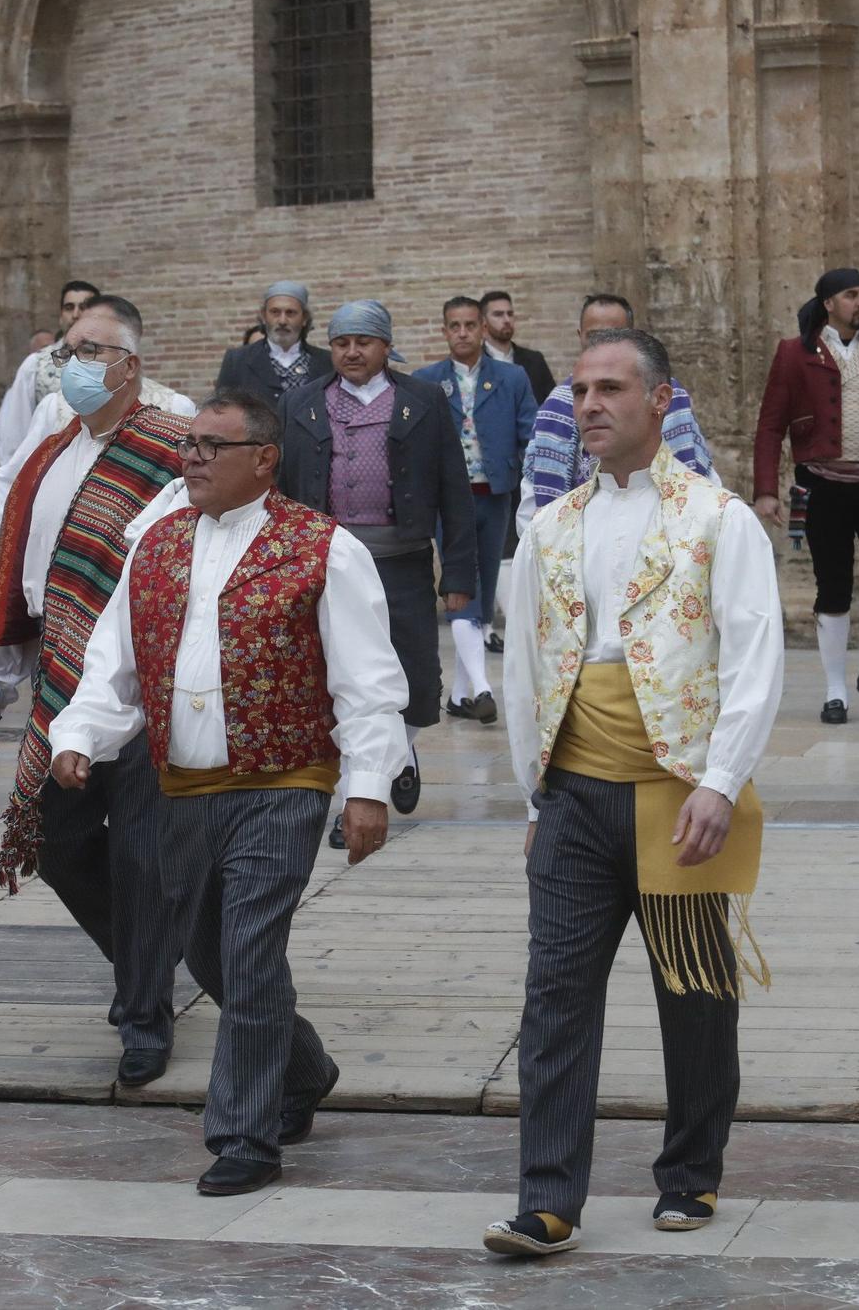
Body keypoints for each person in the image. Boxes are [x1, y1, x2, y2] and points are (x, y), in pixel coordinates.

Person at [50, 389, 409, 1196]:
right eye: (191, 446)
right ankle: (306, 1066)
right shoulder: (156, 545)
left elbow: (368, 682)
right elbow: (115, 662)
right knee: (208, 950)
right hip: (181, 784)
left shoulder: (324, 548)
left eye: (215, 445)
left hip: (282, 782)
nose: (195, 458)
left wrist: (368, 785)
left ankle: (242, 1134)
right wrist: (78, 736)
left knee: (248, 949)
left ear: (264, 459)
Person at [487, 328, 782, 1259]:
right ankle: (547, 1197)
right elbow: (526, 667)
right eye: (579, 391)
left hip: (678, 790)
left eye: (611, 388)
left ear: (660, 401)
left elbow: (755, 656)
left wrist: (722, 782)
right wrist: (535, 799)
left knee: (693, 991)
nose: (590, 406)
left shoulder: (717, 518)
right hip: (573, 792)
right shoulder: (550, 525)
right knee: (556, 993)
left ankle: (691, 1171)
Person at [0, 294, 190, 1087]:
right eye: (67, 350)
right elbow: (22, 560)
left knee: (140, 852)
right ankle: (143, 964)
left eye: (91, 350)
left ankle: (145, 1015)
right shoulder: (54, 440)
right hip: (61, 682)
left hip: (144, 687)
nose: (73, 365)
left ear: (132, 364)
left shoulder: (171, 445)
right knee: (55, 839)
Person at [276, 299, 474, 847]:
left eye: (364, 342)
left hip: (402, 559)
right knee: (336, 677)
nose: (352, 352)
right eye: (341, 343)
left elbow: (454, 492)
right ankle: (353, 801)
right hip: (326, 560)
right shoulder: (302, 402)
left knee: (412, 674)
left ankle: (401, 744)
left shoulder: (423, 401)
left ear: (386, 347)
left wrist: (458, 576)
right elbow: (286, 487)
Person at [752, 268, 859, 724]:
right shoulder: (792, 354)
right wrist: (765, 490)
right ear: (828, 303)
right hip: (819, 485)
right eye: (850, 295)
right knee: (833, 586)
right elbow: (769, 426)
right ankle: (835, 689)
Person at [412, 296, 537, 724]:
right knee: (461, 580)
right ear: (444, 331)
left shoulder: (512, 376)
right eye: (454, 326)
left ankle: (460, 695)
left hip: (495, 492)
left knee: (484, 583)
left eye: (470, 325)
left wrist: (521, 477)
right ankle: (483, 688)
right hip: (451, 500)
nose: (462, 333)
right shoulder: (427, 381)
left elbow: (529, 431)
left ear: (483, 329)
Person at [520, 294, 719, 529]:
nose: (591, 406)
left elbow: (701, 478)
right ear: (580, 336)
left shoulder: (670, 397)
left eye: (611, 389)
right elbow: (533, 506)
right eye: (595, 336)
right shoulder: (556, 405)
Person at [0, 279, 100, 465]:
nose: (75, 315)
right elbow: (13, 432)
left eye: (84, 307)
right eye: (69, 308)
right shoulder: (35, 364)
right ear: (61, 316)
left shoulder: (110, 361)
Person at [213, 280, 332, 406]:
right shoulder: (237, 360)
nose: (282, 320)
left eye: (290, 313)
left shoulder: (326, 361)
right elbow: (221, 409)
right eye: (275, 312)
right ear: (264, 316)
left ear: (304, 319)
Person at [478, 290, 556, 404]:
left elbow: (552, 404)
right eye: (498, 314)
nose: (507, 320)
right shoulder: (476, 363)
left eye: (510, 314)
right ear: (483, 321)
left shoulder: (535, 360)